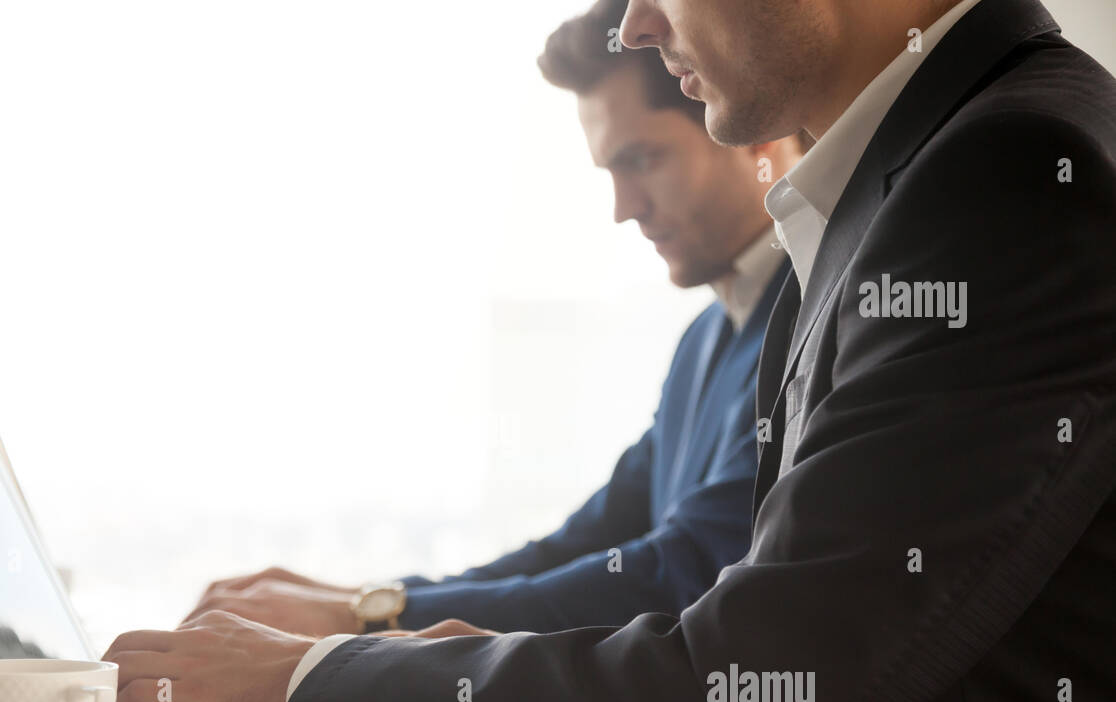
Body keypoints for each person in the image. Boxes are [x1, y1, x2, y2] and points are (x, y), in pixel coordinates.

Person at [106, 0, 1116, 702]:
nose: (635, 21)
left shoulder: (1008, 174)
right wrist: (389, 640)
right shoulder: (912, 188)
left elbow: (757, 688)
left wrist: (309, 677)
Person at [182, 0, 801, 638]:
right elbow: (579, 548)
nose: (624, 208)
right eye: (611, 171)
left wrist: (366, 618)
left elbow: (678, 572)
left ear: (749, 129)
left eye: (642, 159)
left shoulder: (813, 315)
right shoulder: (704, 342)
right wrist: (371, 600)